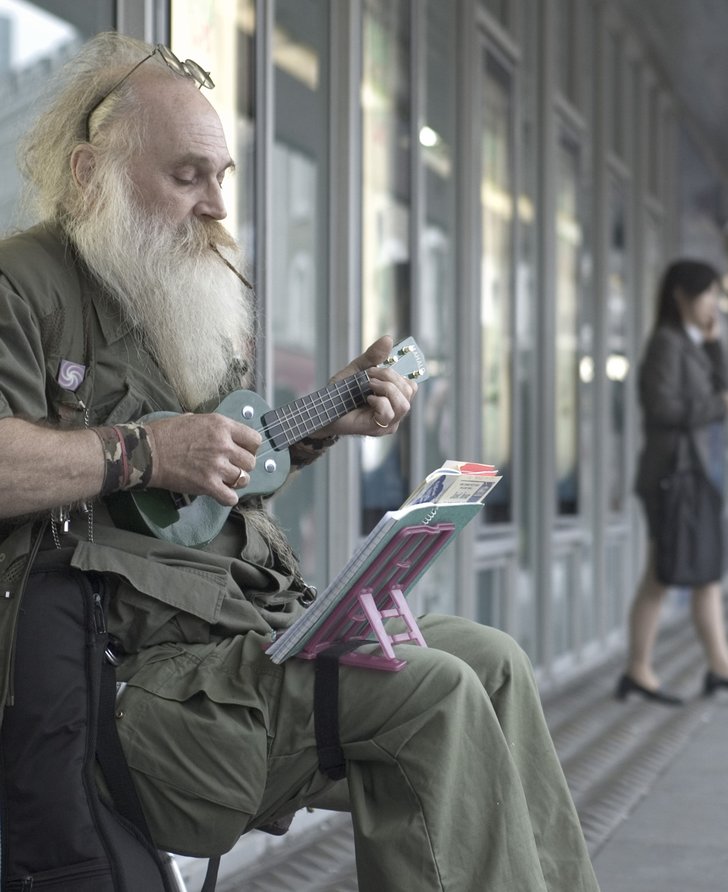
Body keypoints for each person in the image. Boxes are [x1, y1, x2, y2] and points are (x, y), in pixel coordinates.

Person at [0, 32, 600, 891]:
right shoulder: (21, 283)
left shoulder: (180, 296)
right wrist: (141, 451)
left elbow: (208, 487)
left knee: (493, 659)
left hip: (246, 638)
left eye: (222, 176)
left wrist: (319, 423)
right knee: (431, 693)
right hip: (135, 681)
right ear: (93, 171)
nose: (216, 206)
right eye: (186, 176)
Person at [617, 259, 728, 706]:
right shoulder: (666, 344)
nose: (714, 303)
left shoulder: (694, 343)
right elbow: (662, 408)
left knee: (704, 573)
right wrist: (716, 405)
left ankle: (719, 666)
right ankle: (637, 669)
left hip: (694, 475)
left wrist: (716, 346)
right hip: (670, 477)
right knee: (663, 576)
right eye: (708, 294)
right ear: (681, 295)